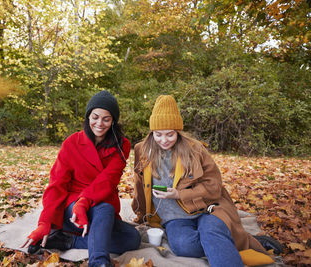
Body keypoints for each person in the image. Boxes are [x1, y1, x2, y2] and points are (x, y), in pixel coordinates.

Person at [131, 95, 278, 267]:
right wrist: (141, 215)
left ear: (178, 131)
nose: (164, 140)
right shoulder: (142, 150)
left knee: (211, 232)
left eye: (170, 134)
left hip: (207, 208)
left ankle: (230, 241)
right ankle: (234, 242)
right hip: (174, 217)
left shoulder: (195, 149)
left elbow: (214, 186)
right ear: (152, 132)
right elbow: (140, 186)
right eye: (158, 134)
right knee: (184, 247)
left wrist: (179, 193)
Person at [22, 90, 141, 267]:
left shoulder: (121, 144)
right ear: (88, 117)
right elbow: (57, 184)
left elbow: (109, 180)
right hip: (72, 210)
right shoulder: (72, 143)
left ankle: (67, 241)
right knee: (105, 209)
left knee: (132, 239)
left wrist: (85, 201)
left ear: (113, 121)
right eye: (95, 117)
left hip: (97, 199)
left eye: (106, 119)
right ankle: (99, 262)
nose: (99, 123)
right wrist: (45, 222)